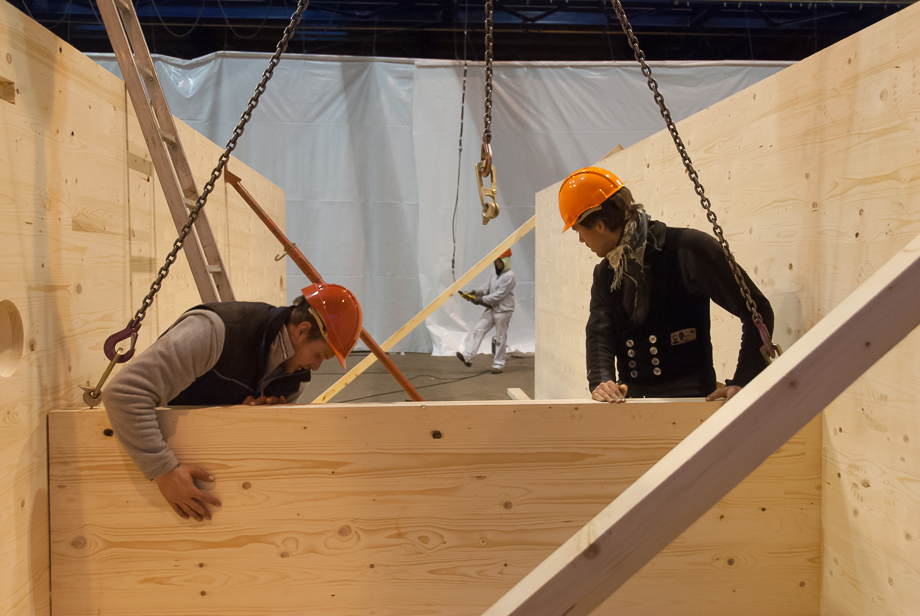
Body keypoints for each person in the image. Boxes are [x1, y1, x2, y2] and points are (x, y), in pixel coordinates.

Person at [102, 283, 362, 522]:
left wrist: (247, 423)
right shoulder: (214, 331)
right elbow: (124, 393)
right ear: (302, 331)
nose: (315, 367)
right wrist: (165, 472)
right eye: (319, 355)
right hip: (151, 492)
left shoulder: (295, 379)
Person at [558, 166, 774, 403]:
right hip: (630, 406)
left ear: (599, 224)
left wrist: (743, 380)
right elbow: (600, 335)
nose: (580, 239)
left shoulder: (686, 248)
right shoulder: (605, 273)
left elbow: (757, 311)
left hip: (692, 404)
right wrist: (603, 383)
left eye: (579, 230)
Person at [456, 248, 516, 374]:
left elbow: (499, 296)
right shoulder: (493, 272)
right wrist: (475, 292)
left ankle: (498, 365)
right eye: (496, 261)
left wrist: (480, 299)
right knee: (478, 330)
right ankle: (468, 356)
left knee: (500, 337)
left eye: (500, 262)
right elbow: (486, 287)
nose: (497, 264)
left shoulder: (509, 276)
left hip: (503, 311)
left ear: (506, 261)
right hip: (492, 308)